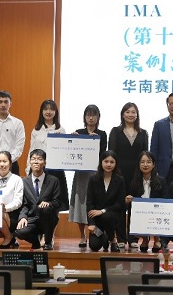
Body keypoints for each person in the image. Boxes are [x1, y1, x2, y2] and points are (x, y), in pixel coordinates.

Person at [108, 101, 148, 247]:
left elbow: (145, 155)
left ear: (137, 115)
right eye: (128, 112)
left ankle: (133, 238)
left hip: (137, 174)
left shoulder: (143, 133)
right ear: (123, 114)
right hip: (119, 173)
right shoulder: (115, 131)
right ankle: (120, 238)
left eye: (133, 112)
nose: (131, 114)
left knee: (135, 206)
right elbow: (112, 154)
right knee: (120, 205)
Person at [69, 104, 107, 248]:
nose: (91, 118)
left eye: (94, 115)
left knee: (95, 202)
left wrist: (95, 142)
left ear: (98, 117)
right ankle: (82, 235)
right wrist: (72, 140)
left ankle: (96, 231)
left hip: (96, 173)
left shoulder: (102, 134)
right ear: (84, 117)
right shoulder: (79, 132)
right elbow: (71, 152)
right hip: (81, 175)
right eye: (88, 115)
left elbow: (103, 154)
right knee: (81, 202)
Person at [15, 149, 61, 250]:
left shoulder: (54, 180)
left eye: (39, 159)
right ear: (30, 162)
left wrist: (48, 204)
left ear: (45, 163)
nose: (36, 162)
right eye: (33, 159)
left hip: (48, 218)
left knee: (46, 209)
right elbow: (24, 204)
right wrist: (23, 217)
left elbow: (58, 202)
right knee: (19, 232)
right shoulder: (24, 182)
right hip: (32, 218)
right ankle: (36, 242)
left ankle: (48, 242)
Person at [27, 100, 68, 211]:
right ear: (41, 111)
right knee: (38, 200)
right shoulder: (36, 130)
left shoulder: (61, 130)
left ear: (56, 112)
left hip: (55, 169)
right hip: (39, 168)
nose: (48, 112)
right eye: (45, 109)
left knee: (55, 202)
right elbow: (31, 150)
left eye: (51, 109)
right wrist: (28, 168)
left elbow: (65, 150)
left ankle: (54, 223)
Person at [125, 151, 168, 252]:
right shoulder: (134, 181)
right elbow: (129, 199)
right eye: (142, 162)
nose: (145, 165)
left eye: (148, 162)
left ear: (153, 164)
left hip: (156, 212)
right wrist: (127, 200)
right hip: (141, 214)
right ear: (138, 164)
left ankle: (157, 239)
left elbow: (165, 198)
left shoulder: (161, 180)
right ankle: (144, 239)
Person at [87, 150, 126, 252]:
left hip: (113, 215)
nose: (109, 164)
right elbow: (89, 203)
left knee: (106, 216)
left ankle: (113, 241)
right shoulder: (93, 179)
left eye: (112, 162)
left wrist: (103, 211)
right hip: (97, 218)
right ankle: (105, 236)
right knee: (94, 246)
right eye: (106, 161)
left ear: (116, 164)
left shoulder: (120, 180)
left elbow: (120, 204)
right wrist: (91, 223)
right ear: (101, 162)